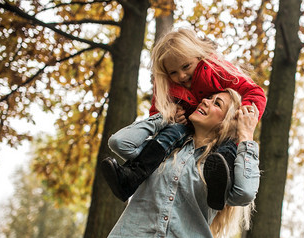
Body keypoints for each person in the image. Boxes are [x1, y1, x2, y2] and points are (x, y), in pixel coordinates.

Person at [98, 89, 260, 238]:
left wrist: (246, 135)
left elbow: (245, 193)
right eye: (208, 97)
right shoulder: (159, 149)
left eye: (217, 103)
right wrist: (164, 117)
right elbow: (120, 143)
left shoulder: (221, 167)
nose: (205, 100)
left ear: (226, 122)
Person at [101, 27, 266, 210]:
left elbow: (253, 91)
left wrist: (244, 115)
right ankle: (131, 177)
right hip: (185, 128)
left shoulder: (214, 69)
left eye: (186, 66)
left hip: (217, 129)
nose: (181, 76)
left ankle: (221, 182)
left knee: (229, 142)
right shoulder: (166, 86)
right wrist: (167, 116)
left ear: (199, 56)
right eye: (173, 72)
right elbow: (156, 112)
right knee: (168, 134)